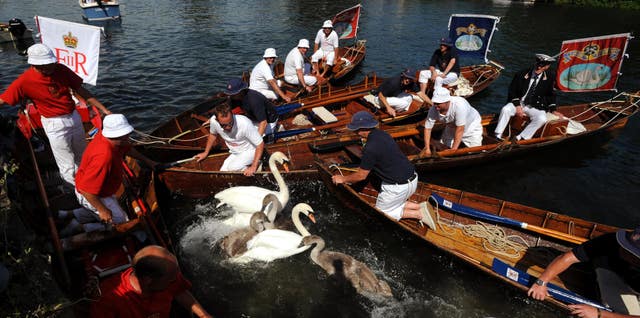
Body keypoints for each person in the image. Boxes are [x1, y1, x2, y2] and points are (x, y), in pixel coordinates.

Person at [0, 43, 110, 188]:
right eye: (47, 64)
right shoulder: (24, 81)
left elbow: (81, 90)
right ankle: (78, 194)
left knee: (82, 156)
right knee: (67, 165)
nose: (52, 66)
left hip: (74, 117)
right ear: (35, 65)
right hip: (54, 124)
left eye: (52, 63)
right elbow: (3, 99)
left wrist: (104, 110)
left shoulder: (61, 69)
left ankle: (90, 185)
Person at [331, 111, 437, 230]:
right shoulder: (382, 134)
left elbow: (361, 176)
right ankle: (418, 206)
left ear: (362, 129)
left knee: (381, 214)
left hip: (397, 188)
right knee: (394, 202)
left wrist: (342, 179)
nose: (356, 133)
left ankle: (418, 214)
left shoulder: (370, 148)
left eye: (356, 130)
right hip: (413, 180)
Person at [59, 114, 156, 235]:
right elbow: (86, 190)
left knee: (97, 210)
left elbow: (127, 148)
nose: (129, 137)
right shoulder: (104, 157)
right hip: (92, 194)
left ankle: (69, 216)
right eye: (125, 134)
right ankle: (82, 228)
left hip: (101, 190)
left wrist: (149, 161)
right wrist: (102, 210)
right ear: (116, 136)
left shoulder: (109, 138)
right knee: (121, 222)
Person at [528, 226, 640, 318]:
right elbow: (569, 257)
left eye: (629, 251)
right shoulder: (611, 241)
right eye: (625, 244)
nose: (622, 248)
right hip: (610, 273)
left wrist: (599, 314)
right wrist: (542, 282)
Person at [90, 245, 213, 318]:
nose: (175, 279)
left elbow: (180, 291)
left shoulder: (169, 277)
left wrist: (204, 316)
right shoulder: (108, 300)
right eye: (170, 279)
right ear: (148, 280)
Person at [494, 53, 563, 141]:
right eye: (538, 64)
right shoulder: (521, 73)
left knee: (541, 119)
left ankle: (521, 138)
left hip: (534, 106)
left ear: (547, 66)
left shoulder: (550, 77)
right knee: (505, 109)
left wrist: (553, 110)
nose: (539, 68)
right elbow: (512, 91)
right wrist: (518, 106)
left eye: (542, 66)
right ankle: (497, 134)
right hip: (519, 102)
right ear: (536, 62)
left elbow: (550, 95)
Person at [194, 103, 264, 176]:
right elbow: (213, 135)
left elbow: (260, 144)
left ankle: (257, 166)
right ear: (217, 120)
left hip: (251, 150)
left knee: (232, 168)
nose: (228, 127)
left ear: (232, 116)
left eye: (230, 123)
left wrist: (254, 166)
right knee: (222, 172)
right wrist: (205, 152)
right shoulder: (213, 121)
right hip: (235, 152)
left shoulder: (244, 123)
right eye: (223, 125)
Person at [420, 87, 483, 157]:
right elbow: (428, 129)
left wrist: (453, 150)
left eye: (438, 103)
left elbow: (460, 129)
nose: (435, 105)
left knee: (475, 152)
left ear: (447, 101)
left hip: (471, 127)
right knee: (444, 145)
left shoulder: (459, 106)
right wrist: (427, 148)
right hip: (451, 126)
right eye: (435, 103)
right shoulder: (433, 109)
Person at [418, 37, 460, 103]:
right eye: (441, 44)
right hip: (441, 72)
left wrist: (444, 74)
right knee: (423, 73)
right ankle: (423, 95)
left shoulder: (452, 51)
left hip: (452, 73)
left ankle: (436, 100)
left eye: (444, 45)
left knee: (438, 79)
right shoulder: (437, 52)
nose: (441, 46)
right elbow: (432, 65)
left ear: (448, 46)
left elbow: (452, 61)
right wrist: (433, 73)